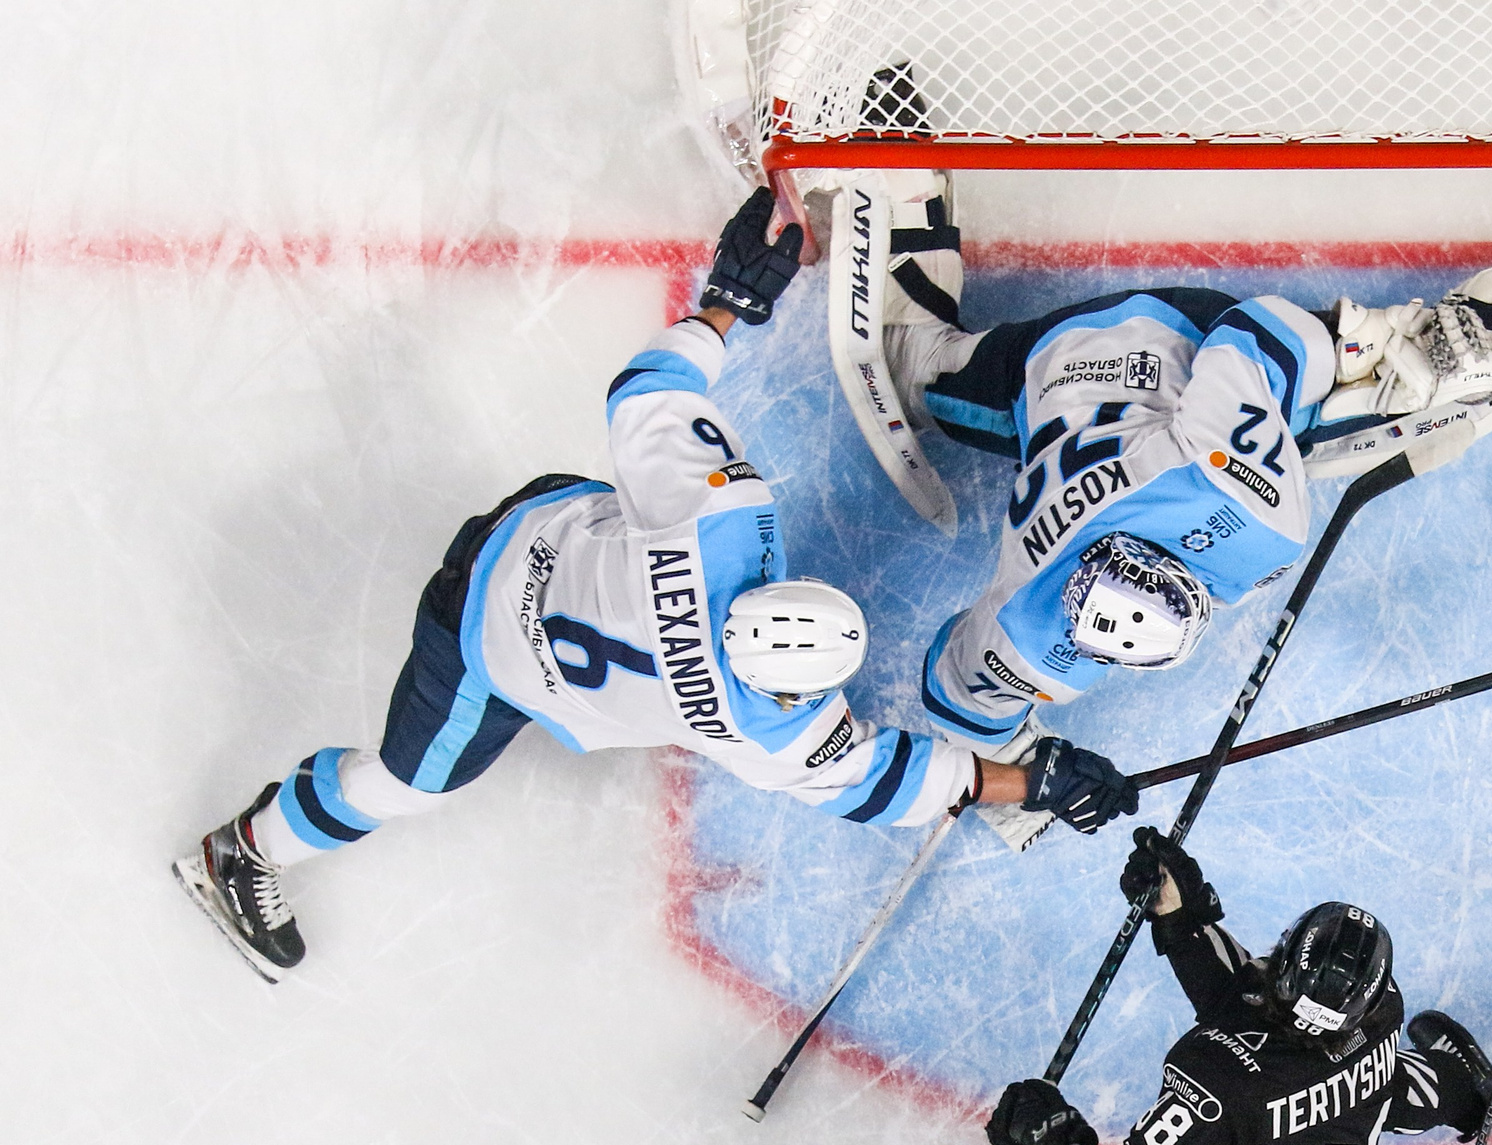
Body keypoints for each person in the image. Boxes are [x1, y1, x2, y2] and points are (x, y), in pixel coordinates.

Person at [174, 189, 1139, 983]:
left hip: (529, 526)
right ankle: (243, 850)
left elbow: (645, 396)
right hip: (479, 649)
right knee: (408, 783)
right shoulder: (772, 731)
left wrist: (729, 298)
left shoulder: (726, 524)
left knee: (627, 493)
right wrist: (1037, 781)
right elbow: (891, 781)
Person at [861, 172, 1492, 754]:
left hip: (1169, 334)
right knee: (915, 369)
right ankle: (911, 303)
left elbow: (1257, 331)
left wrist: (1349, 342)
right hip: (1048, 380)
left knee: (1400, 382)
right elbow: (956, 700)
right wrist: (1015, 776)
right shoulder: (1034, 636)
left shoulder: (1247, 515)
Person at [868, 828, 1492, 1145]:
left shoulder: (1218, 1079)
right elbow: (1254, 1011)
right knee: (1376, 1086)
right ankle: (1465, 1092)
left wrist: (1046, 1136)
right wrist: (1184, 920)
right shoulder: (1377, 1018)